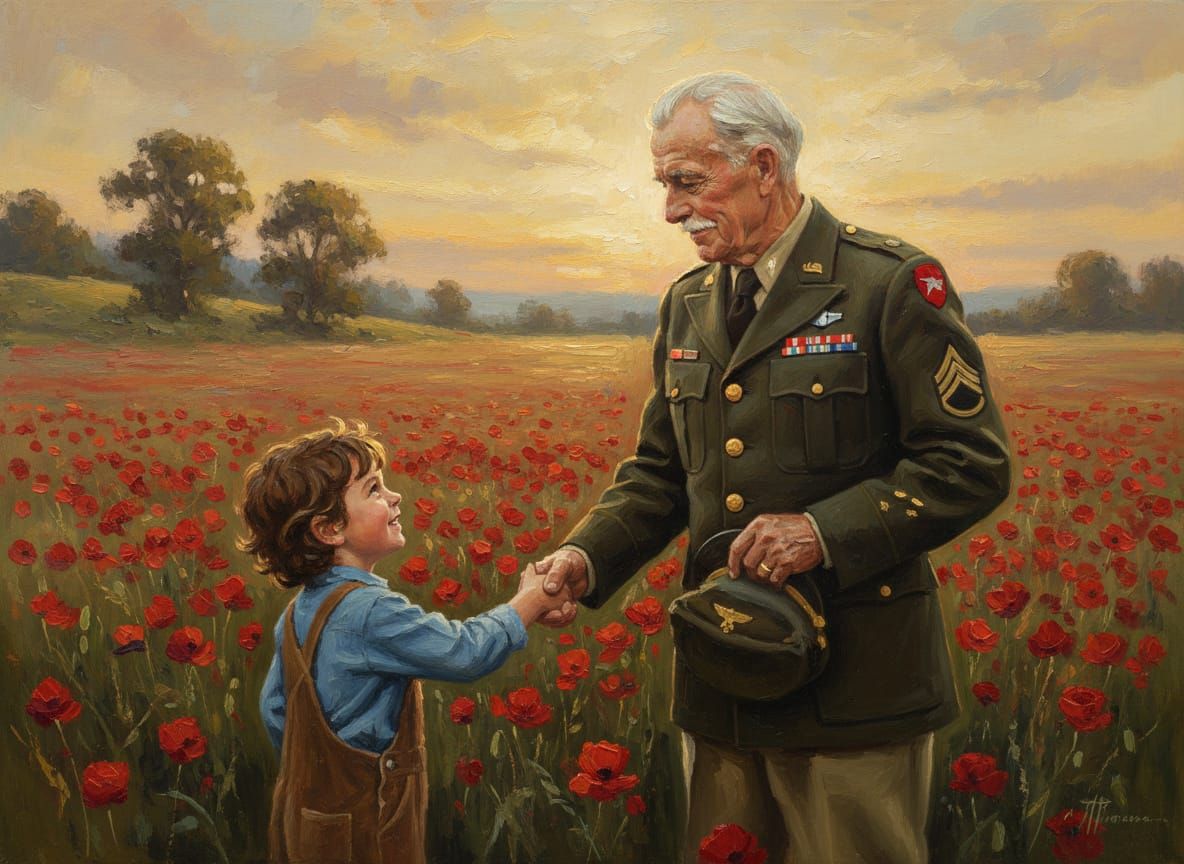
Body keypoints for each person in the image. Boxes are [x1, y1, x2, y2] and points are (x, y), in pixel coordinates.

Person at [533, 72, 1011, 863]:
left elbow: (970, 462)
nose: (671, 210)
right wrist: (588, 556)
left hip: (856, 696)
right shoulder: (687, 302)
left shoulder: (889, 283)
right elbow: (661, 472)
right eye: (664, 184)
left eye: (688, 182)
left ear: (763, 167)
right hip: (724, 682)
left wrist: (822, 532)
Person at [242, 420, 574, 864]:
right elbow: (464, 652)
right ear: (329, 530)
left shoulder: (299, 611)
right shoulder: (370, 612)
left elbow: (274, 709)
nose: (394, 496)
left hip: (311, 822)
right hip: (371, 820)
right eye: (374, 489)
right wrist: (530, 601)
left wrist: (323, 769)